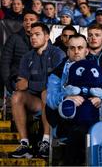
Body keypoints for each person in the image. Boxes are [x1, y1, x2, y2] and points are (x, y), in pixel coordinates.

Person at [46, 33, 102, 165]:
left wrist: (100, 99)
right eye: (72, 48)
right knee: (78, 133)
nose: (76, 51)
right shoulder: (58, 72)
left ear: (86, 50)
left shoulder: (96, 69)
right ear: (67, 51)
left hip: (94, 115)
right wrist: (66, 97)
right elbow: (50, 99)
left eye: (80, 47)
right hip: (66, 120)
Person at [10, 22, 66, 158]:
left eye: (37, 34)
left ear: (47, 36)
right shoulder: (27, 57)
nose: (33, 38)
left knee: (46, 92)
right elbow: (21, 84)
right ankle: (24, 144)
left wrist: (30, 84)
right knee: (17, 96)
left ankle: (46, 142)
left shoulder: (58, 54)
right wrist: (27, 85)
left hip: (54, 99)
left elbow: (53, 85)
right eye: (31, 35)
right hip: (35, 100)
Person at [0, 10, 39, 94]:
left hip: (38, 77)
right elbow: (5, 62)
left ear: (37, 22)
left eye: (31, 20)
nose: (28, 22)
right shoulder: (14, 38)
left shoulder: (44, 39)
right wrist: (8, 82)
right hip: (17, 77)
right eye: (25, 20)